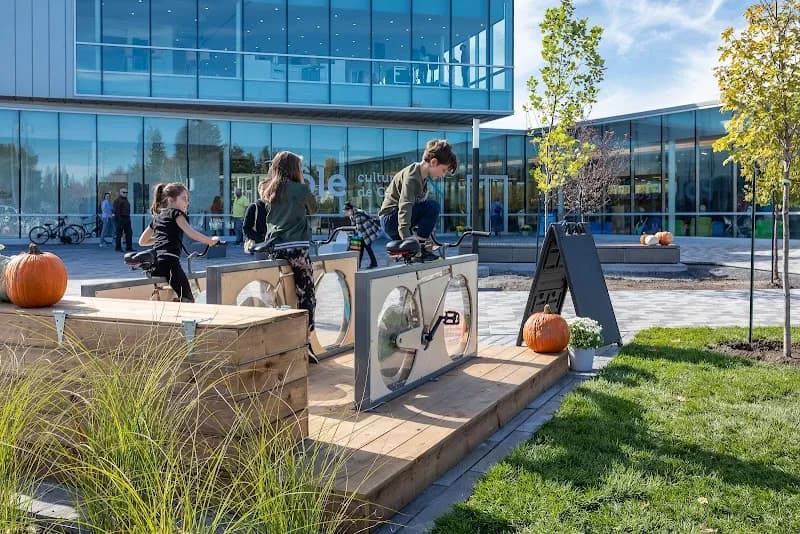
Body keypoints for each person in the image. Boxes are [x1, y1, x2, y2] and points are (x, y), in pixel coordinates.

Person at [262, 151, 320, 363]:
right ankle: (306, 341)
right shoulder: (300, 189)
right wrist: (302, 182)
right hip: (297, 248)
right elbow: (314, 208)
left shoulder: (268, 189)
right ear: (296, 170)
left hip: (276, 246)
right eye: (301, 169)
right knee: (307, 294)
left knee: (278, 293)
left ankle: (278, 340)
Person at [138, 182, 219, 303]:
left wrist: (162, 236)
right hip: (170, 263)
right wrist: (210, 241)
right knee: (188, 299)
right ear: (171, 199)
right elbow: (191, 232)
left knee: (180, 296)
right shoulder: (177, 213)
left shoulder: (158, 217)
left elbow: (142, 241)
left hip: (157, 264)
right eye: (184, 198)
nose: (187, 202)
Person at [379, 138, 457, 261]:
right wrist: (407, 238)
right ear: (433, 162)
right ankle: (420, 248)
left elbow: (420, 216)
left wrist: (429, 242)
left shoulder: (422, 179)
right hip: (390, 219)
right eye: (443, 170)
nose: (442, 175)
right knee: (433, 206)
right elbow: (405, 205)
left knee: (429, 207)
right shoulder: (412, 176)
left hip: (395, 220)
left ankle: (422, 249)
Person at [344, 201, 380, 269]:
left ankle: (371, 263)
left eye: (346, 211)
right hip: (365, 232)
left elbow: (358, 228)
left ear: (350, 210)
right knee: (363, 248)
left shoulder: (358, 215)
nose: (346, 213)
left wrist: (351, 234)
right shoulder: (353, 213)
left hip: (368, 232)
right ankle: (364, 264)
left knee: (366, 248)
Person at [113, 187, 133, 252]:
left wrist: (128, 218)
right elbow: (116, 211)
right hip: (121, 219)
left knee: (129, 233)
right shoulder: (117, 200)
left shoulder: (126, 200)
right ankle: (118, 247)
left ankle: (129, 247)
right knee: (119, 234)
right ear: (120, 192)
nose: (125, 194)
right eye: (123, 192)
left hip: (127, 218)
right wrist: (119, 220)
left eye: (126, 192)